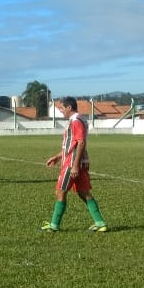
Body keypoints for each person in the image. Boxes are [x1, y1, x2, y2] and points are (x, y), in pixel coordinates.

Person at [41, 96, 108, 233]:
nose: (61, 111)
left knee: (60, 191)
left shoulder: (76, 121)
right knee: (84, 193)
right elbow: (72, 145)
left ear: (69, 108)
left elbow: (81, 142)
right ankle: (100, 223)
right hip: (78, 161)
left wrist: (75, 165)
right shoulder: (79, 119)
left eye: (62, 108)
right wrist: (57, 157)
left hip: (72, 163)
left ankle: (54, 226)